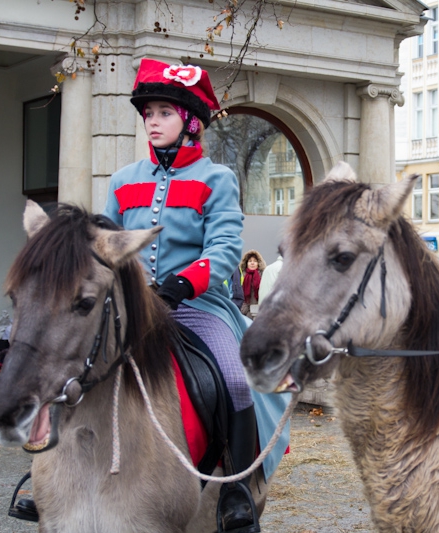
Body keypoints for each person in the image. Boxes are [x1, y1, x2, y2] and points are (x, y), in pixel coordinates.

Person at [102, 58, 265, 533]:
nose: (152, 121)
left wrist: (179, 286)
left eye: (163, 112)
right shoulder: (122, 180)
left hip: (194, 306)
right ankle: (46, 473)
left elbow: (225, 248)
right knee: (69, 358)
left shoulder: (218, 180)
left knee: (234, 380)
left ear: (191, 122)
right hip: (130, 307)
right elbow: (106, 243)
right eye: (148, 112)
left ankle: (237, 488)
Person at [239, 250, 265, 316]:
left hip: (260, 310)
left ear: (258, 263)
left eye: (255, 261)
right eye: (250, 261)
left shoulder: (263, 275)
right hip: (244, 310)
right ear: (246, 263)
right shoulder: (241, 275)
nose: (252, 263)